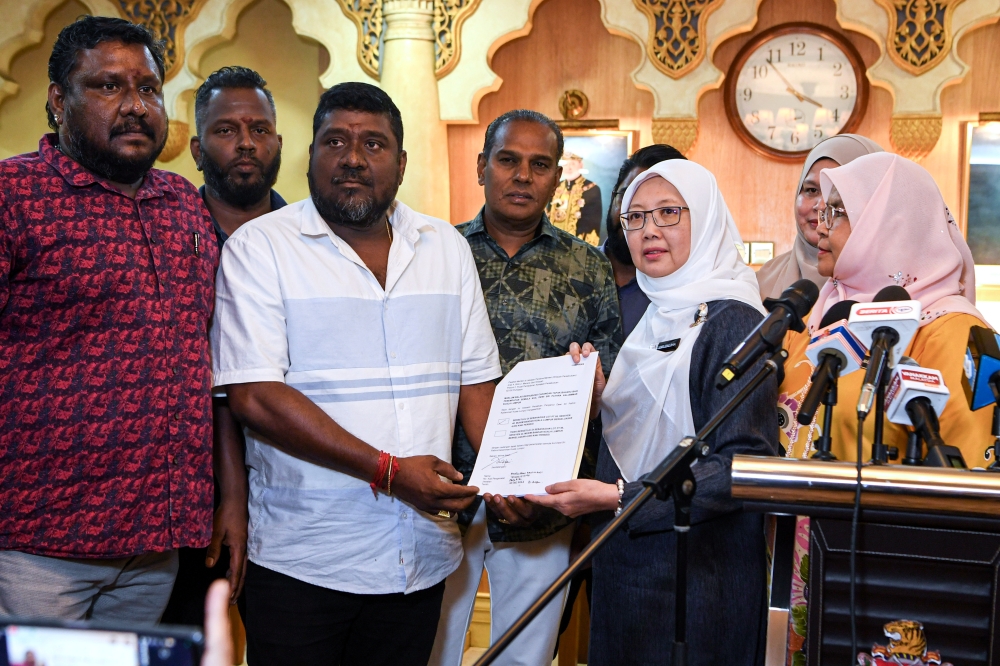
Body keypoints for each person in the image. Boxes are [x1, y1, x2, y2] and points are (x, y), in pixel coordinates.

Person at [210, 82, 501, 666]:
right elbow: (255, 397)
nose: (352, 157)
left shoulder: (444, 246)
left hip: (419, 556)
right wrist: (390, 473)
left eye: (374, 143)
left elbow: (476, 385)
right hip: (304, 559)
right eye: (335, 141)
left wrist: (507, 479)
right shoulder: (260, 248)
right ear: (310, 154)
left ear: (400, 161)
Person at [0, 16, 219, 623]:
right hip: (37, 544)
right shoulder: (13, 195)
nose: (135, 106)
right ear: (57, 101)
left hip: (158, 543)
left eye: (149, 89)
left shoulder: (182, 205)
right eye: (107, 87)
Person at [529, 159, 778, 665]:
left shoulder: (734, 323)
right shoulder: (656, 316)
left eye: (668, 213)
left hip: (697, 574)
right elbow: (647, 431)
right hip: (629, 562)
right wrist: (596, 398)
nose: (649, 231)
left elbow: (740, 467)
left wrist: (621, 497)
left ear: (704, 219)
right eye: (635, 217)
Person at [777, 152, 990, 666]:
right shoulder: (824, 313)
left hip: (893, 575)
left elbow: (972, 482)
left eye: (839, 212)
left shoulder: (954, 332)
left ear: (889, 222)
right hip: (796, 565)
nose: (819, 225)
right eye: (820, 210)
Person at [429, 110, 621, 666]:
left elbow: (604, 385)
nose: (522, 176)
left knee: (525, 655)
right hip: (447, 489)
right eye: (508, 160)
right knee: (433, 647)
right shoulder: (439, 253)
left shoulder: (587, 266)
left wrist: (593, 384)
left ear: (557, 176)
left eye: (540, 165)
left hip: (542, 500)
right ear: (481, 167)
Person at [163, 65, 287, 625]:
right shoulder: (164, 236)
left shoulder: (314, 238)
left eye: (259, 129)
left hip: (297, 485)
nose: (245, 143)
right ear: (196, 147)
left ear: (279, 143)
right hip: (188, 495)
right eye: (226, 129)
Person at [755, 134, 883, 300]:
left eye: (839, 193)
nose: (821, 206)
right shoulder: (760, 284)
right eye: (811, 190)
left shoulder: (897, 282)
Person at [604, 144, 686, 337]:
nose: (645, 225)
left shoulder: (693, 296)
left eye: (666, 211)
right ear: (612, 197)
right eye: (627, 197)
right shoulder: (573, 271)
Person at [547, 151, 603, 243]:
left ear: (581, 165)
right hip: (553, 244)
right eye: (566, 164)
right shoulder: (555, 187)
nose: (569, 167)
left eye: (572, 163)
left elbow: (592, 224)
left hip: (578, 245)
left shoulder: (592, 189)